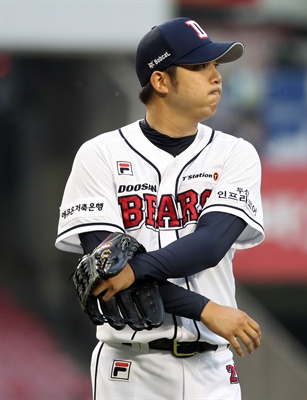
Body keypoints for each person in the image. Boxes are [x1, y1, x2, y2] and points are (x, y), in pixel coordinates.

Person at [55, 17, 265, 399]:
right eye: (200, 67)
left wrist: (134, 269)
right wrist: (204, 309)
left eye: (216, 66)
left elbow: (209, 246)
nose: (216, 77)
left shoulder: (236, 153)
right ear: (161, 81)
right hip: (131, 368)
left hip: (212, 368)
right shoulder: (100, 155)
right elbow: (106, 277)